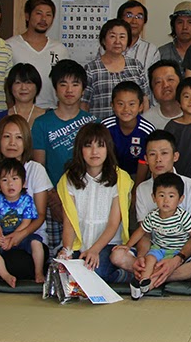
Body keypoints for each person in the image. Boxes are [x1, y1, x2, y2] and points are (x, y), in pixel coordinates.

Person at [112, 130, 191, 287]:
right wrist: (141, 258)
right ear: (146, 159)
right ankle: (170, 275)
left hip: (185, 254)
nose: (158, 159)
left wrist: (176, 260)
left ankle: (150, 278)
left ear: (175, 156)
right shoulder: (142, 189)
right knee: (117, 256)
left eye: (164, 153)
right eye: (152, 154)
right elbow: (145, 233)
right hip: (156, 252)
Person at [0, 114, 51, 283]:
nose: (12, 143)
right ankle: (6, 273)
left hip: (29, 237)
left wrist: (20, 235)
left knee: (21, 263)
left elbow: (40, 215)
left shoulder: (35, 170)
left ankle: (24, 272)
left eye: (18, 137)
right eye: (7, 137)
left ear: (26, 142)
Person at [54, 123, 134, 281]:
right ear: (80, 149)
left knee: (94, 272)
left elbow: (113, 223)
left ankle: (122, 276)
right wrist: (67, 250)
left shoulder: (120, 178)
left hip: (108, 244)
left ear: (108, 148)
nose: (94, 151)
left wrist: (95, 250)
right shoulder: (68, 179)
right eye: (88, 146)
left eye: (100, 145)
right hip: (79, 244)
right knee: (65, 274)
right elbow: (69, 221)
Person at [31, 60, 97, 248]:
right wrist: (53, 199)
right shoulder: (41, 123)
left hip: (86, 200)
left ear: (83, 90)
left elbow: (97, 167)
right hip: (53, 200)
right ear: (55, 88)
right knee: (55, 254)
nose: (69, 90)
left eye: (75, 84)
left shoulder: (93, 123)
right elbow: (39, 167)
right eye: (63, 84)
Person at [131, 172, 191, 297]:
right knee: (150, 259)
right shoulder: (152, 216)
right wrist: (127, 246)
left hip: (177, 251)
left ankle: (144, 288)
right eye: (161, 195)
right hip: (158, 249)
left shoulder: (183, 216)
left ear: (180, 199)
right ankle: (143, 281)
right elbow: (141, 231)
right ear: (154, 197)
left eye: (171, 196)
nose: (166, 200)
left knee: (161, 267)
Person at [0, 158, 44, 287]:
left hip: (21, 234)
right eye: (5, 180)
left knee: (36, 243)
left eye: (15, 179)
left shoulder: (27, 200)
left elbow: (26, 222)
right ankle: (5, 275)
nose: (10, 184)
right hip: (2, 235)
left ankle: (39, 272)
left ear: (24, 183)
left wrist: (15, 236)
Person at [6, 0, 69, 109]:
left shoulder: (59, 49)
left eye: (48, 15)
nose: (43, 19)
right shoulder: (10, 46)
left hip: (51, 110)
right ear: (27, 16)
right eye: (39, 13)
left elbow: (65, 82)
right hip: (21, 111)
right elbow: (6, 83)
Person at [83, 18, 149, 121]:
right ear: (103, 40)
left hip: (132, 127)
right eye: (112, 36)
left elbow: (144, 99)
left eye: (122, 37)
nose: (117, 41)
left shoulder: (136, 65)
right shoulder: (91, 69)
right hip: (100, 127)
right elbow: (84, 103)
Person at [101, 80, 155, 184]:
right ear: (112, 105)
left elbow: (144, 161)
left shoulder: (147, 130)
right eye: (120, 104)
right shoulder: (105, 126)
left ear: (140, 107)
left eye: (131, 104)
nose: (126, 109)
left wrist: (137, 187)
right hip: (110, 173)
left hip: (138, 175)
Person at [0, 63, 44, 130]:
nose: (23, 88)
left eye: (28, 82)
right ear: (10, 87)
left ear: (37, 86)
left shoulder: (49, 117)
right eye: (18, 82)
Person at [116, 0, 161, 73]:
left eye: (139, 17)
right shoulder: (108, 47)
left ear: (144, 22)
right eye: (129, 16)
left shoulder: (151, 51)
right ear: (120, 19)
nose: (134, 21)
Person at [141, 60, 183, 131]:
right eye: (158, 82)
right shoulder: (146, 122)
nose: (165, 85)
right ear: (152, 90)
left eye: (170, 79)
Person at [158, 1, 191, 66]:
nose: (185, 27)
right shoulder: (161, 53)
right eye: (180, 22)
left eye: (190, 22)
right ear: (173, 26)